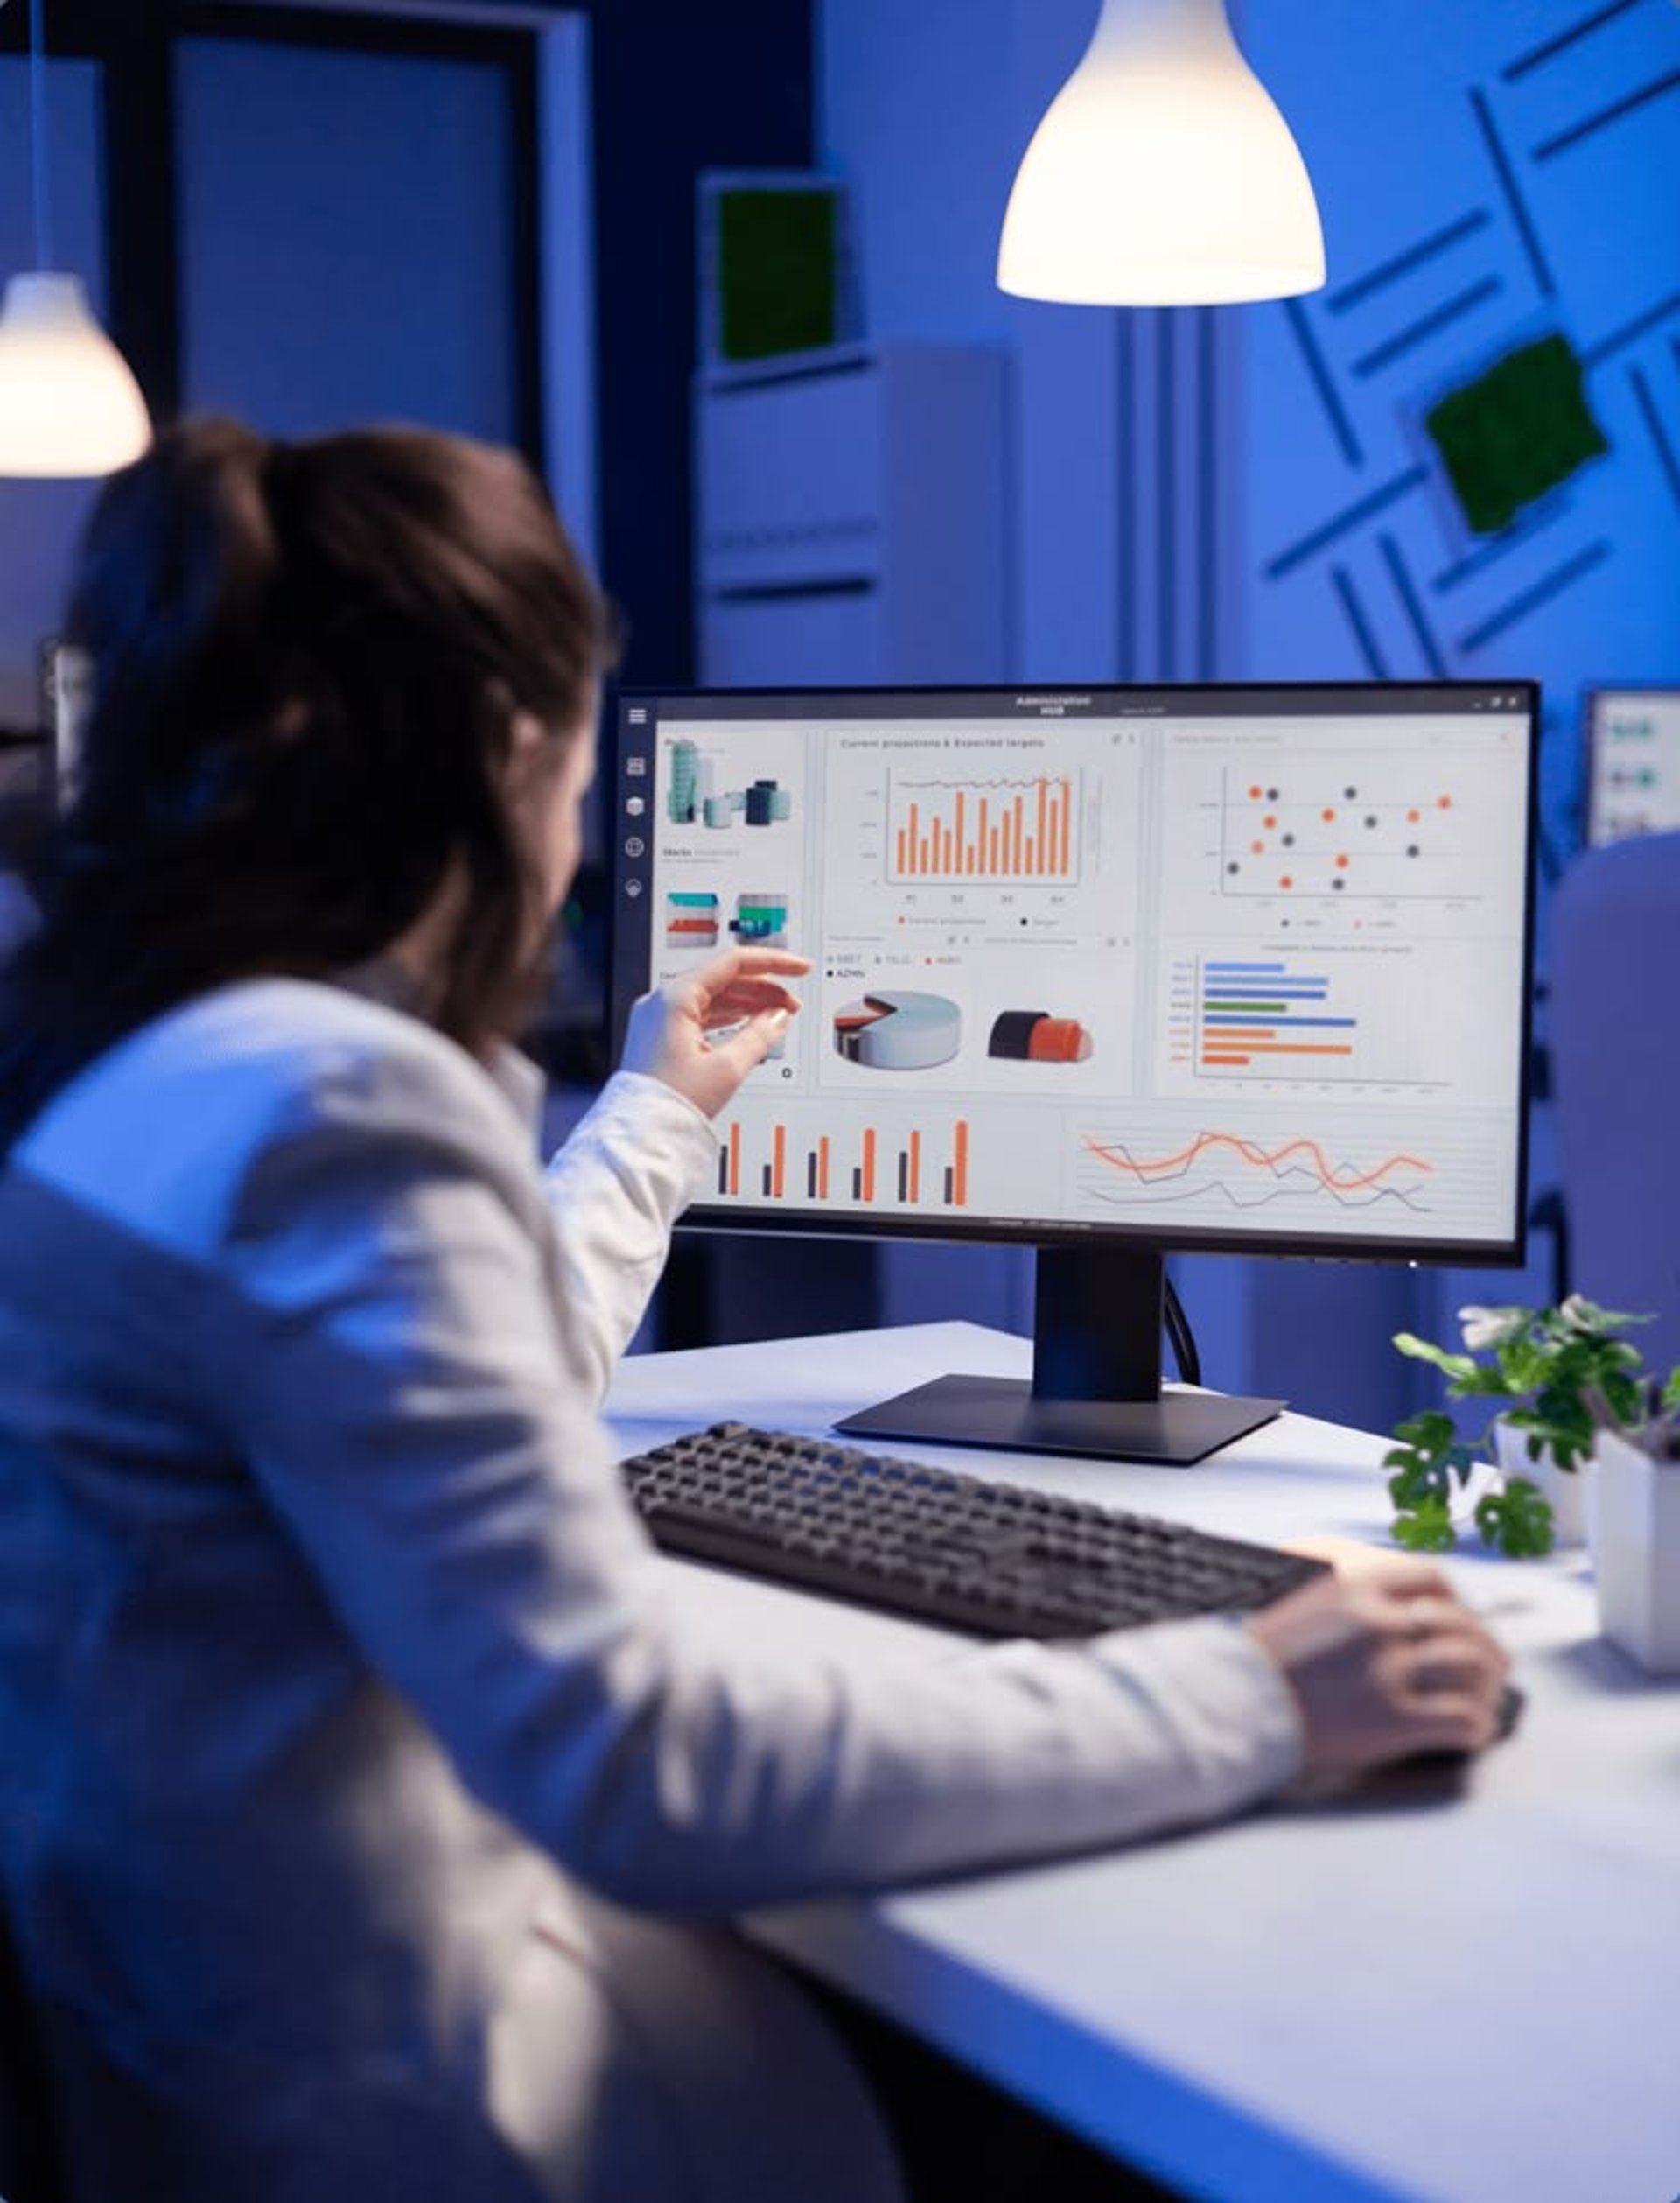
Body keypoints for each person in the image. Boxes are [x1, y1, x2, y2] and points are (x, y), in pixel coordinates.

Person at [0, 418, 1510, 2203]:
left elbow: (450, 1394)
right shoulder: (333, 1109)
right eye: (577, 770)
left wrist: (659, 1107)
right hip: (434, 2117)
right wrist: (1256, 1694)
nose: (575, 841)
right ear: (508, 743)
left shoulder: (146, 1070)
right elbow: (648, 1763)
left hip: (203, 2051)